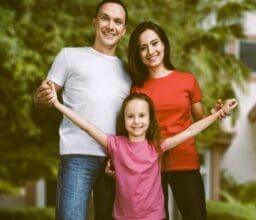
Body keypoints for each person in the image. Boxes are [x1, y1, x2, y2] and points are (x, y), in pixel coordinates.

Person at [48, 81, 238, 220]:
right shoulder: (115, 144)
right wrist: (57, 104)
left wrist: (220, 114)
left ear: (149, 119)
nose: (136, 121)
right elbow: (87, 126)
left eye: (141, 116)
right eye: (130, 116)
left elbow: (192, 130)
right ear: (124, 120)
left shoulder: (156, 146)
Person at [33, 1, 130, 219]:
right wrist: (41, 96)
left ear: (123, 31)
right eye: (105, 18)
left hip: (113, 161)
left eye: (117, 21)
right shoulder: (69, 56)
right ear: (94, 22)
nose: (110, 26)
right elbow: (44, 96)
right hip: (77, 156)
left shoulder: (128, 71)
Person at [126, 21, 229, 220]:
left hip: (186, 162)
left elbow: (200, 121)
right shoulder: (137, 88)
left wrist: (216, 113)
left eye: (155, 43)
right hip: (150, 167)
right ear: (138, 54)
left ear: (164, 44)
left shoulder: (187, 80)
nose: (151, 51)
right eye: (143, 47)